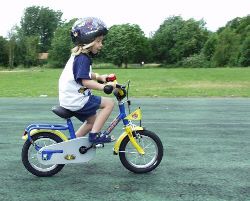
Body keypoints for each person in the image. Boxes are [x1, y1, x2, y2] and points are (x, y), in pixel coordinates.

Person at [58, 17, 116, 143]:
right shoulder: (83, 58)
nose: (101, 45)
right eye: (99, 41)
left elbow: (85, 74)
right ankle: (94, 135)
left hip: (72, 98)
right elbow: (85, 81)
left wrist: (99, 77)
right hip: (76, 99)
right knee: (109, 103)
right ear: (88, 41)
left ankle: (70, 144)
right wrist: (104, 87)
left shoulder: (79, 57)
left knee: (92, 121)